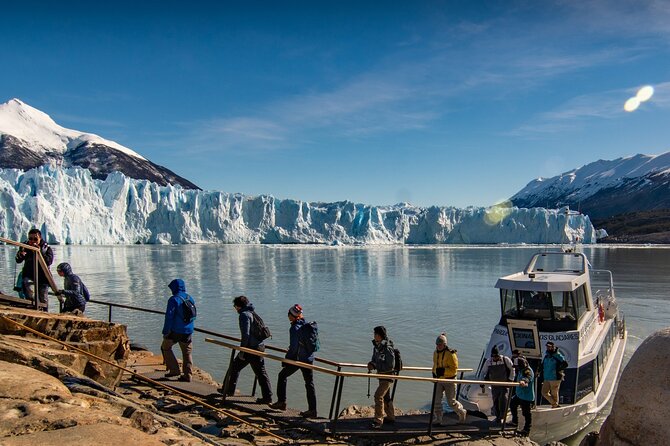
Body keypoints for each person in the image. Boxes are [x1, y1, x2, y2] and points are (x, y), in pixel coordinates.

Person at [222, 295, 273, 404]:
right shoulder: (252, 312)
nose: (235, 308)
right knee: (260, 372)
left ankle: (227, 390)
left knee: (234, 367)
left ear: (238, 306)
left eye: (235, 306)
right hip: (259, 346)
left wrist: (242, 350)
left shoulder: (244, 315)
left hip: (251, 348)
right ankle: (267, 397)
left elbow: (246, 334)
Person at [269, 304, 317, 418]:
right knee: (309, 384)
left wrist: (286, 360)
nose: (288, 316)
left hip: (298, 359)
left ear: (292, 315)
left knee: (282, 376)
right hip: (308, 358)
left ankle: (281, 402)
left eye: (288, 314)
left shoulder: (295, 328)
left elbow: (294, 348)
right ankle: (313, 410)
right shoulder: (306, 325)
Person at [160, 279, 195, 382]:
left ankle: (174, 370)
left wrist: (166, 331)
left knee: (165, 347)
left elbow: (169, 317)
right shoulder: (190, 298)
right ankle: (188, 375)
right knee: (187, 352)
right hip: (188, 330)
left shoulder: (173, 299)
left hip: (175, 330)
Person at [431, 333, 467, 425]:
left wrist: (443, 371)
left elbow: (454, 369)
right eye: (437, 344)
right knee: (436, 400)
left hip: (450, 380)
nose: (438, 346)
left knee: (451, 402)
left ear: (444, 345)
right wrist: (434, 373)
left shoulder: (451, 354)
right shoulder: (435, 353)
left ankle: (461, 412)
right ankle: (438, 418)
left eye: (440, 345)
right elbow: (435, 365)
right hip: (439, 380)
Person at [15, 228, 54, 311]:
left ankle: (44, 314)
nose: (33, 241)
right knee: (29, 293)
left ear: (40, 238)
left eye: (35, 239)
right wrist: (20, 254)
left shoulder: (46, 248)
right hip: (29, 275)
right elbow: (18, 260)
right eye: (30, 239)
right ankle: (33, 310)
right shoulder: (25, 246)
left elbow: (49, 261)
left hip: (43, 277)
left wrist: (40, 252)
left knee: (43, 298)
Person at [367, 325, 396, 429]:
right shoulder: (377, 346)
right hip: (381, 375)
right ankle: (391, 417)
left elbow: (390, 365)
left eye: (375, 334)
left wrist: (376, 365)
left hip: (387, 376)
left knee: (378, 396)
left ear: (380, 335)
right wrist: (372, 364)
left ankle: (378, 420)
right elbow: (375, 359)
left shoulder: (387, 348)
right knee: (386, 397)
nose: (374, 336)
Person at [479, 346, 514, 422]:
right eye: (493, 356)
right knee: (495, 400)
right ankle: (498, 416)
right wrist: (482, 382)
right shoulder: (488, 361)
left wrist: (510, 379)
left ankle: (503, 416)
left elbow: (512, 369)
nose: (494, 358)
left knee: (503, 399)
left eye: (496, 356)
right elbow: (483, 372)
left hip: (504, 384)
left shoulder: (505, 360)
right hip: (494, 385)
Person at [509, 357, 535, 436]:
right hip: (519, 394)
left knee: (526, 413)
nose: (516, 368)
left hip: (526, 396)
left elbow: (528, 377)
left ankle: (527, 430)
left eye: (517, 367)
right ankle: (514, 421)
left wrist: (524, 381)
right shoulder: (521, 370)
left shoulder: (527, 371)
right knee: (512, 404)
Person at [540, 341, 567, 408]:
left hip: (555, 377)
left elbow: (565, 364)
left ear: (553, 347)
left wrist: (558, 370)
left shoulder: (557, 355)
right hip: (546, 377)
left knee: (554, 393)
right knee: (544, 392)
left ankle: (555, 406)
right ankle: (555, 404)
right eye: (547, 346)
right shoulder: (546, 356)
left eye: (549, 346)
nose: (548, 348)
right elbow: (543, 365)